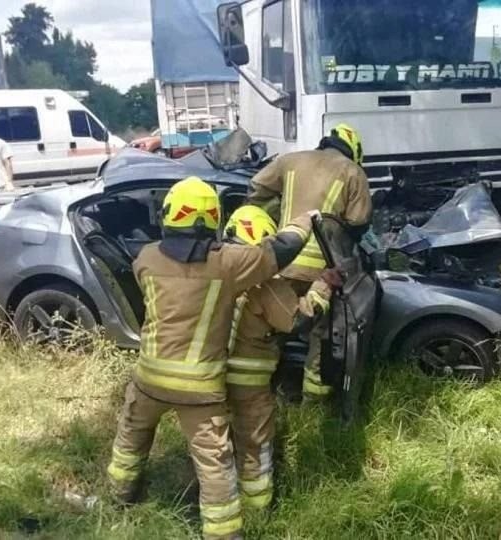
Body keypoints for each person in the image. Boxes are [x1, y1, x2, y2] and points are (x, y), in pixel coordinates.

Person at [107, 176, 317, 540]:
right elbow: (277, 252)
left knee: (131, 438)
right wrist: (307, 220)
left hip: (148, 379)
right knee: (215, 465)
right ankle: (223, 534)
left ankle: (119, 498)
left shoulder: (146, 258)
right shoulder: (227, 264)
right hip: (199, 388)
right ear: (211, 219)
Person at [223, 205, 340, 510]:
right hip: (248, 385)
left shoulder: (211, 274)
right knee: (254, 443)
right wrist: (323, 286)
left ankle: (214, 494)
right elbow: (299, 321)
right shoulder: (267, 286)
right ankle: (258, 505)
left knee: (215, 442)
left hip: (209, 377)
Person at [247, 123, 372, 399]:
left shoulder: (289, 161)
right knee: (320, 335)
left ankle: (262, 390)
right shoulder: (353, 171)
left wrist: (272, 217)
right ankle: (313, 401)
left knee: (273, 329)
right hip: (324, 269)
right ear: (353, 150)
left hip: (283, 261)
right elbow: (359, 222)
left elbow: (255, 189)